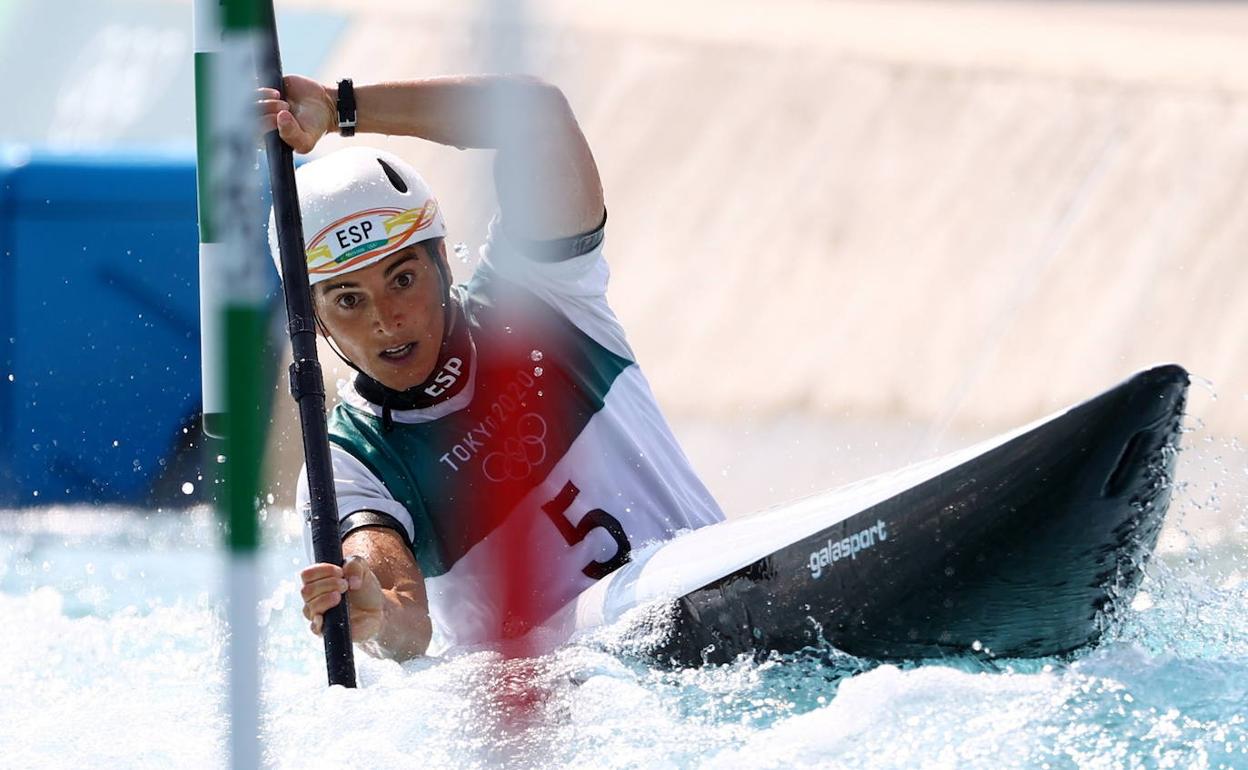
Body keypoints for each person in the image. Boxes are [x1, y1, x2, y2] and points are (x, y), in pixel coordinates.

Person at [260, 74, 724, 660]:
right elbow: (406, 617)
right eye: (348, 300)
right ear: (316, 320)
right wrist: (371, 610)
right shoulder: (350, 465)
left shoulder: (542, 297)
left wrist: (338, 107)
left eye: (404, 278)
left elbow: (537, 116)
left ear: (443, 264)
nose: (386, 318)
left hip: (716, 603)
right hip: (579, 707)